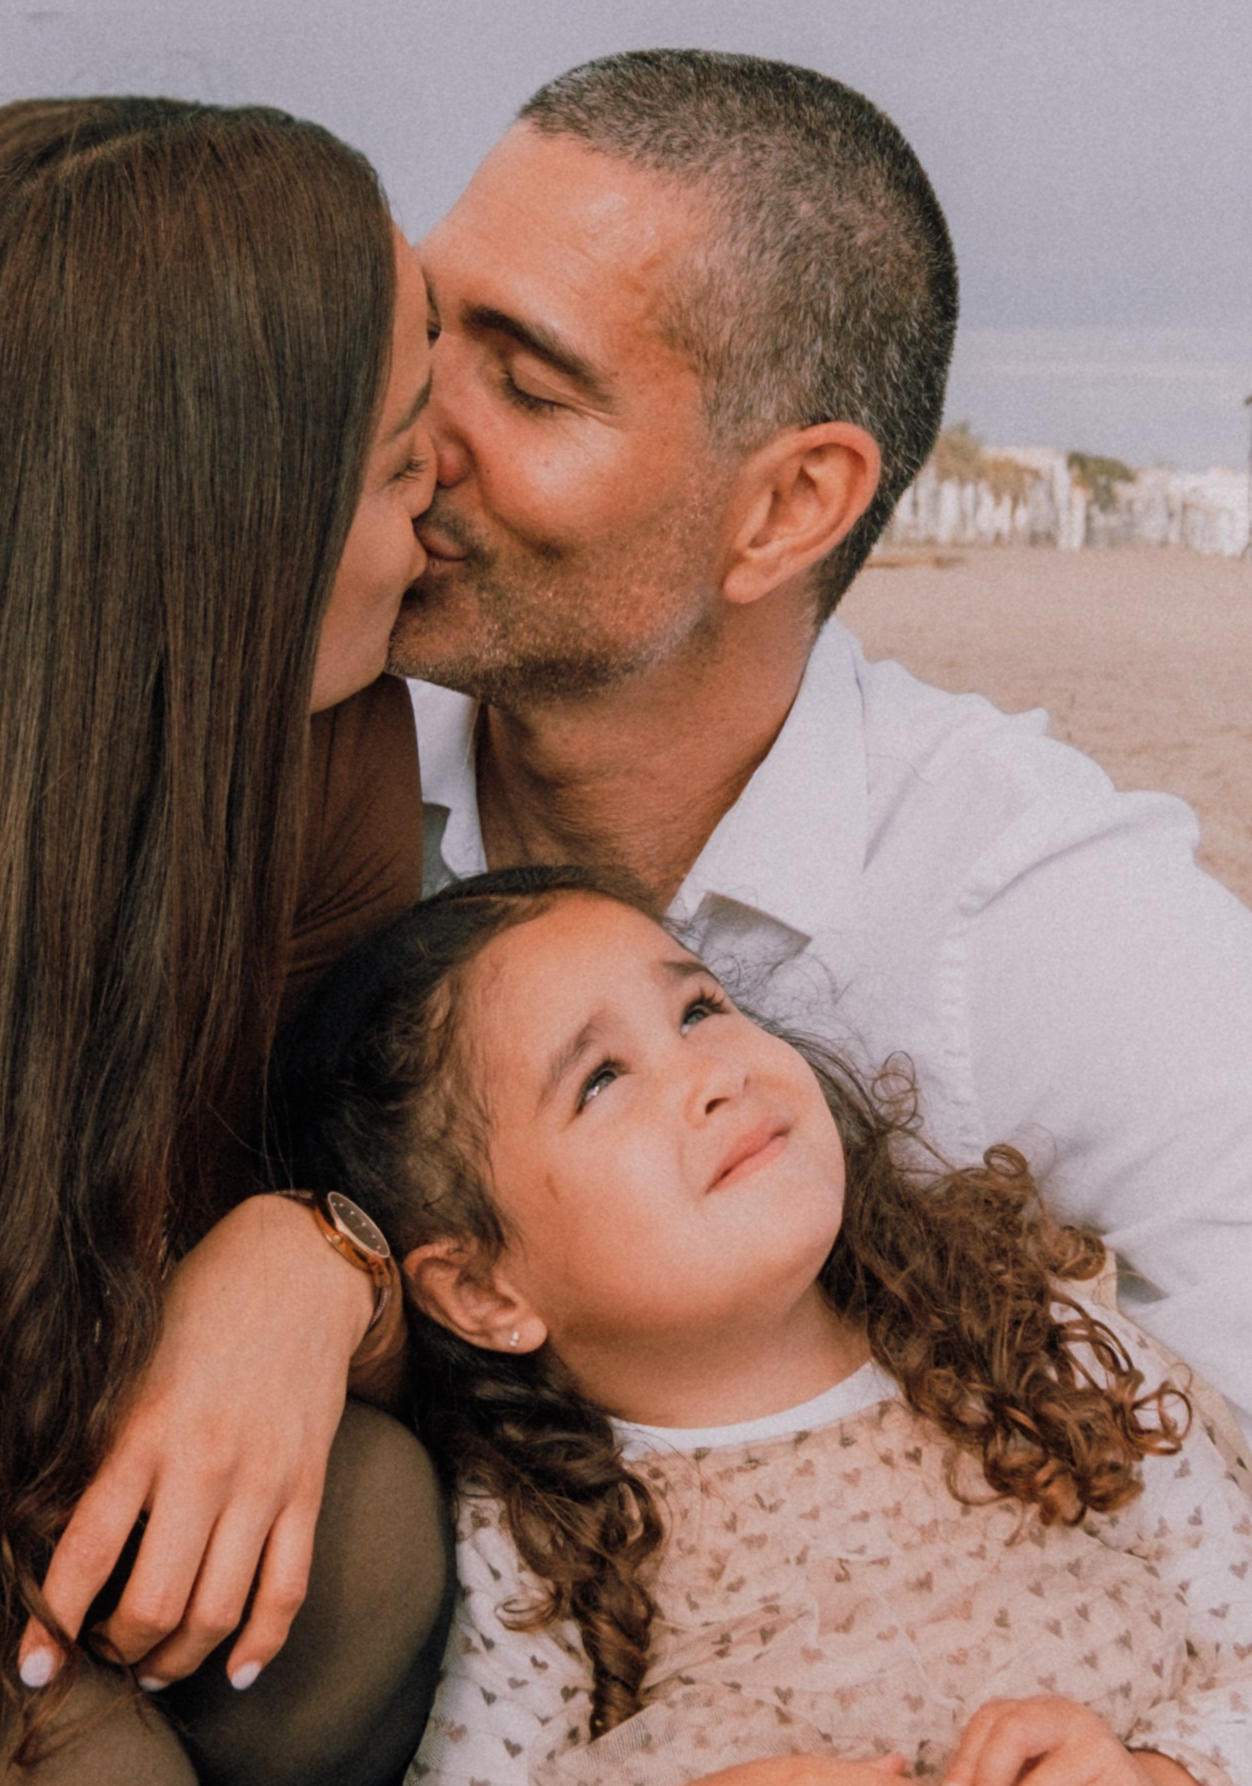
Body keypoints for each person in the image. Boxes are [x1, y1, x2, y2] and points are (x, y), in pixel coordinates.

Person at [394, 49, 1252, 1424]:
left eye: (530, 388)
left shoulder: (1019, 901)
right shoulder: (312, 760)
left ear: (788, 507)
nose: (411, 430)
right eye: (425, 334)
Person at [189, 866, 1252, 1786]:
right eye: (600, 1078)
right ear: (481, 1288)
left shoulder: (1036, 1341)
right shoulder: (543, 1522)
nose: (714, 1071)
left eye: (699, 1007)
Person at [0, 96, 449, 1786]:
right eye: (405, 464)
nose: (440, 522)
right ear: (220, 516)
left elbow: (404, 1197)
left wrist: (310, 1256)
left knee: (371, 1537)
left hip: (64, 1445)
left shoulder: (322, 745)